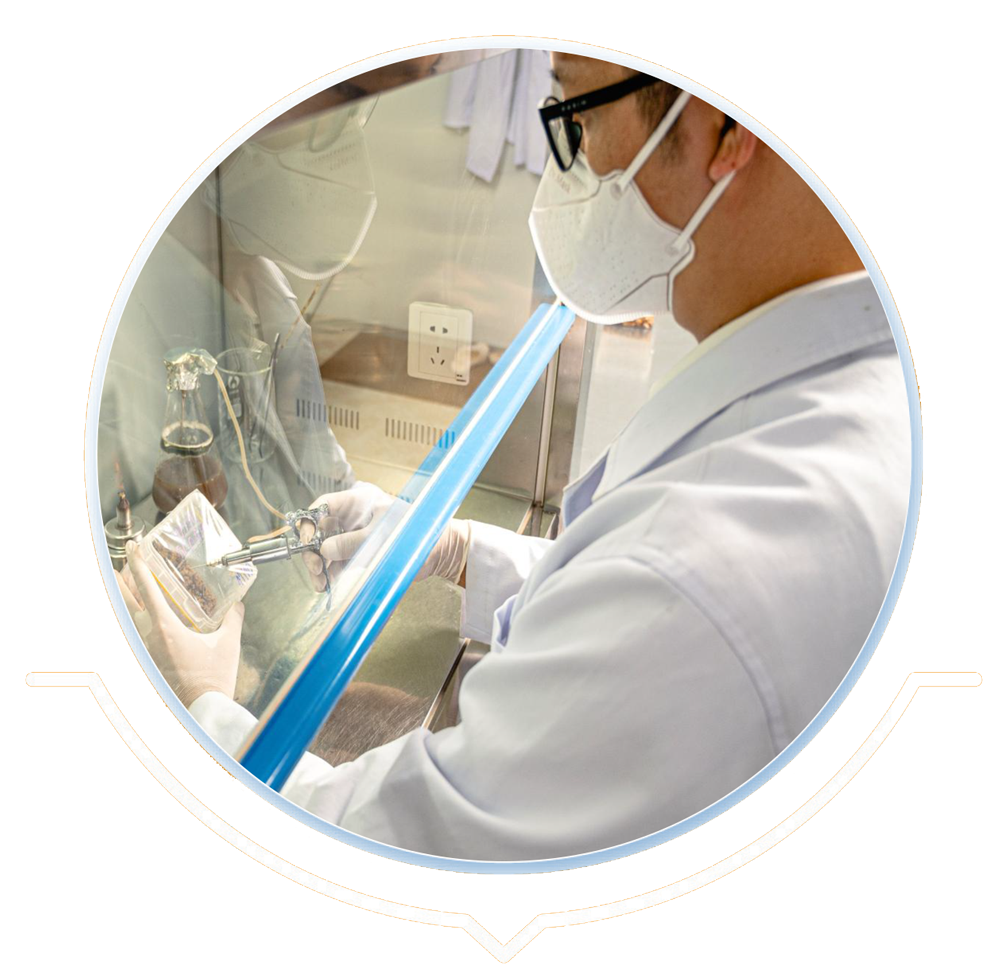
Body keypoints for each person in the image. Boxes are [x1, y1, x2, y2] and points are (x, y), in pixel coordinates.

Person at [122, 46, 914, 862]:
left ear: (723, 120)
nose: (568, 167)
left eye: (575, 117)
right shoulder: (869, 397)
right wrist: (457, 551)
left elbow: (397, 870)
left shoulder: (705, 575)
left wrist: (203, 716)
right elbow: (631, 611)